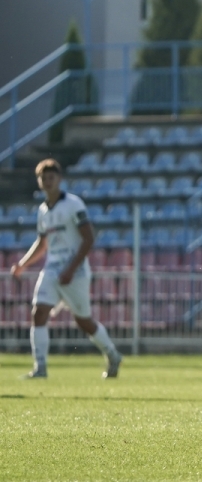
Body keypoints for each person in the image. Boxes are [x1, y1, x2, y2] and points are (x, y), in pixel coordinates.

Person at [9, 159, 122, 379]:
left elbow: (88, 238)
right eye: (43, 178)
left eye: (51, 177)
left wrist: (71, 269)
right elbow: (42, 243)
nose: (47, 181)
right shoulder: (43, 210)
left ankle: (113, 354)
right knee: (39, 312)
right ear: (39, 181)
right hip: (52, 269)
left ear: (59, 179)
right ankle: (40, 368)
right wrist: (23, 264)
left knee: (83, 321)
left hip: (75, 272)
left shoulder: (73, 204)